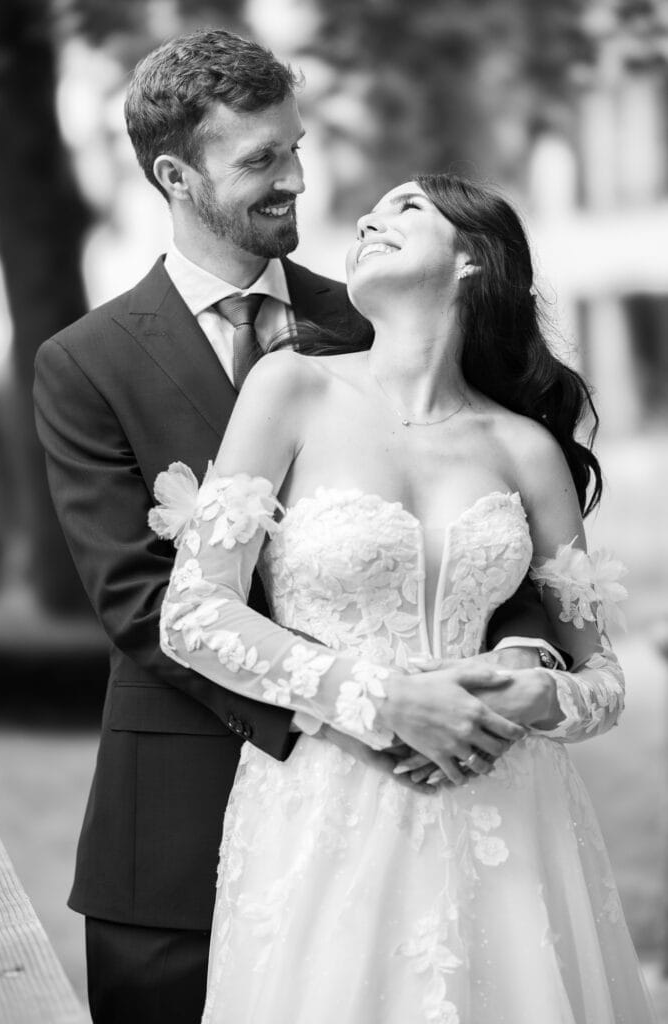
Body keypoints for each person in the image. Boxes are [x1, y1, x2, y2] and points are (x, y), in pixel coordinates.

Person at [32, 30, 561, 1024]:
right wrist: (374, 704)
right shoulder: (84, 361)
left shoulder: (376, 314)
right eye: (260, 160)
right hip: (179, 826)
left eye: (295, 147)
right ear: (174, 175)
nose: (296, 181)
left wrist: (513, 657)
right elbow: (142, 601)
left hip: (407, 813)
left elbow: (496, 527)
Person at [152, 173, 657, 1022]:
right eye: (371, 211)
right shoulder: (290, 389)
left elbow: (599, 674)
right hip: (326, 806)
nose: (368, 218)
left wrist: (547, 693)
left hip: (510, 810)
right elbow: (193, 615)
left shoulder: (527, 448)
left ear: (471, 259)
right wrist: (386, 701)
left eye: (406, 208)